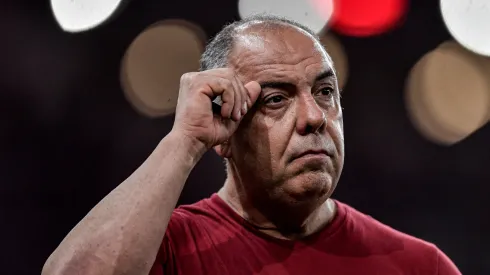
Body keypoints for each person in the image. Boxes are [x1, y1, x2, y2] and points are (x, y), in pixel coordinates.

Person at [42, 15, 461, 275]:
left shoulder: (420, 266)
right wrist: (184, 140)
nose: (314, 117)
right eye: (276, 99)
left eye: (325, 92)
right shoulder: (168, 248)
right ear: (224, 129)